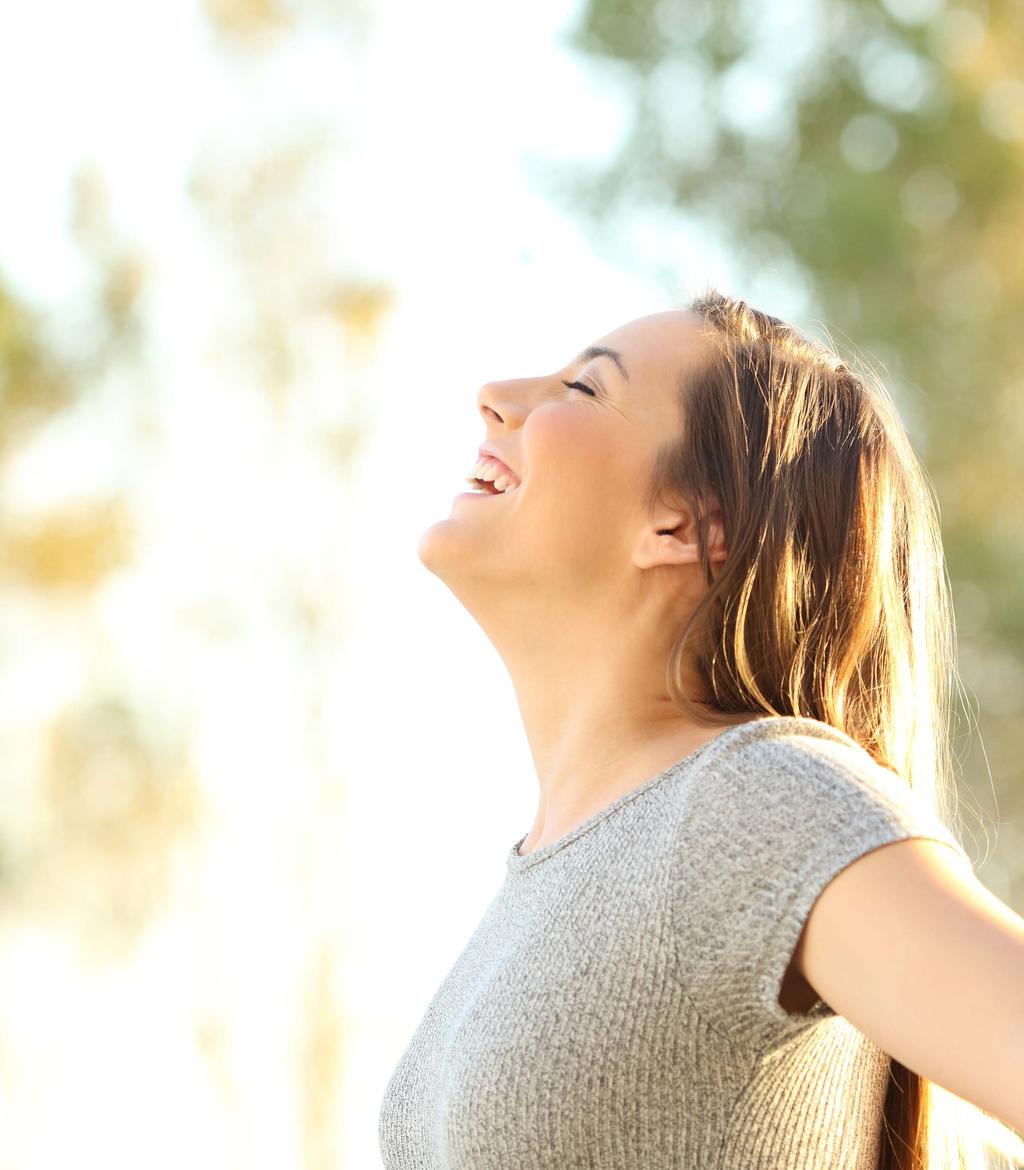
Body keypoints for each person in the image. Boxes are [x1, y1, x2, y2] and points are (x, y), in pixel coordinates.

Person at [378, 290, 1024, 1169]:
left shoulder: (754, 804)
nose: (498, 393)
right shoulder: (552, 869)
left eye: (584, 390)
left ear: (685, 524)